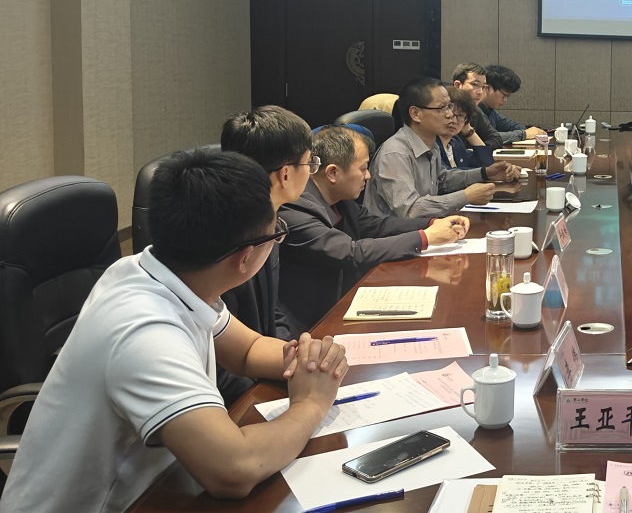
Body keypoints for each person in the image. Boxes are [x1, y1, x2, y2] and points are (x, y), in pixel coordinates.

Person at [0, 149, 347, 513]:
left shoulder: (160, 271)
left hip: (160, 486)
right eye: (275, 233)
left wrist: (308, 361)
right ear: (245, 257)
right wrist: (310, 405)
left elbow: (246, 350)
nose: (276, 238)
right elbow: (235, 468)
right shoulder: (144, 331)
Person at [278, 126, 471, 335]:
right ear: (333, 172)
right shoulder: (294, 206)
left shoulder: (340, 198)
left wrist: (432, 223)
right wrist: (425, 238)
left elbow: (377, 225)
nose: (368, 176)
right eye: (363, 168)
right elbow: (350, 252)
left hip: (344, 304)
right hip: (307, 326)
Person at [217, 105, 315, 402]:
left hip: (260, 365)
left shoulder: (271, 222)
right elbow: (218, 364)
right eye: (310, 163)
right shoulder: (225, 241)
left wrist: (294, 356)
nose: (312, 171)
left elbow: (272, 311)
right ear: (285, 174)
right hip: (234, 395)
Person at [367, 77, 519, 217]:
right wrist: (465, 197)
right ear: (416, 114)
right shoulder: (395, 154)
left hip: (426, 227)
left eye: (449, 106)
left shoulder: (430, 145)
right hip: (396, 235)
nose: (450, 115)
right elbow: (409, 209)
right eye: (441, 108)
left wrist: (485, 173)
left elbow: (442, 180)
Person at [480, 64, 547, 144]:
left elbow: (511, 125)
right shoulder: (474, 111)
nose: (505, 100)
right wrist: (524, 134)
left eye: (508, 96)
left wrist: (532, 130)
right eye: (504, 95)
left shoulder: (490, 111)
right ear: (487, 88)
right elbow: (488, 137)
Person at [450, 62, 505, 150]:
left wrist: (476, 150)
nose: (480, 92)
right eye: (475, 84)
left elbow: (496, 139)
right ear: (457, 85)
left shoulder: (475, 110)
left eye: (483, 87)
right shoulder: (444, 111)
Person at [440, 86, 494, 171]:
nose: (454, 120)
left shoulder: (456, 144)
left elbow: (487, 162)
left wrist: (468, 131)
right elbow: (447, 175)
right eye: (451, 114)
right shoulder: (432, 145)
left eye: (460, 115)